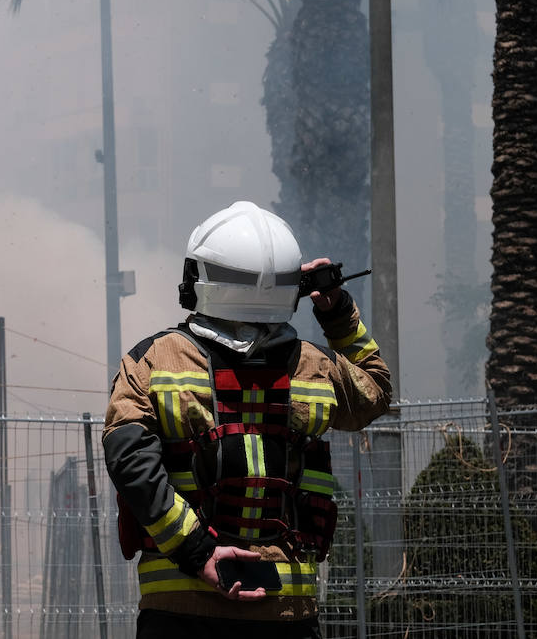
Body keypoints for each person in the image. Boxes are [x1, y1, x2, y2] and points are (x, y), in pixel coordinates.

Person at [103, 201, 392, 639]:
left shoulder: (151, 362)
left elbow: (131, 464)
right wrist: (337, 311)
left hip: (180, 606)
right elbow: (376, 392)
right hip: (286, 614)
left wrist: (200, 555)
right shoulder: (315, 366)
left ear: (201, 277)